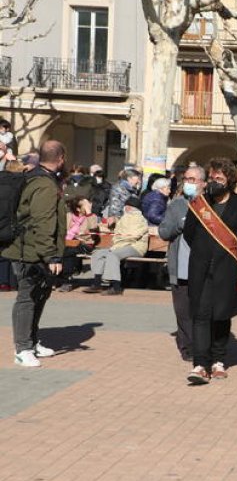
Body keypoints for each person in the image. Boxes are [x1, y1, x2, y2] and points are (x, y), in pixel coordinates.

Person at [182, 157, 237, 385]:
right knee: (201, 315)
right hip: (200, 268)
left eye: (220, 178)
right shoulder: (199, 204)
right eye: (212, 178)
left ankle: (218, 361)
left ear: (229, 180)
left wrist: (231, 257)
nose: (215, 181)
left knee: (221, 315)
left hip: (227, 269)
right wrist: (204, 251)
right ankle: (200, 364)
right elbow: (189, 233)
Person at [4, 141, 67, 367]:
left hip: (33, 249)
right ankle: (22, 348)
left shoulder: (40, 178)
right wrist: (52, 255)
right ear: (61, 158)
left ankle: (30, 341)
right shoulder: (44, 184)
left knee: (40, 295)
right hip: (29, 251)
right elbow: (43, 222)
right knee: (27, 297)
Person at [160, 166, 203, 362]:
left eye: (193, 180)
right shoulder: (176, 205)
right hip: (181, 268)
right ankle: (188, 347)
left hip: (203, 268)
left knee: (202, 310)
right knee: (184, 311)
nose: (189, 183)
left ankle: (203, 345)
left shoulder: (209, 205)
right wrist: (179, 225)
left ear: (203, 182)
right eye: (186, 179)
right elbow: (164, 232)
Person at [81, 195, 148, 295]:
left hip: (135, 247)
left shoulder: (138, 218)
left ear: (128, 207)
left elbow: (133, 236)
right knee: (98, 253)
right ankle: (97, 283)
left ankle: (116, 287)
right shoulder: (125, 217)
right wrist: (106, 226)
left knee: (113, 255)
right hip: (121, 246)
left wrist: (117, 241)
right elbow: (118, 231)